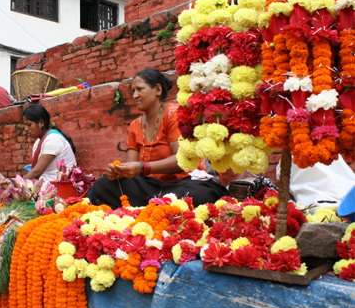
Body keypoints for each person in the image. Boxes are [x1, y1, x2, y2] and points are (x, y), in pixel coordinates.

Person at [91, 68, 228, 208]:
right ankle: (158, 205)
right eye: (133, 91)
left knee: (199, 195)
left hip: (185, 182)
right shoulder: (135, 125)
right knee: (102, 186)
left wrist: (142, 168)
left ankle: (156, 205)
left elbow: (181, 160)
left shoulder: (173, 113)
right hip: (152, 187)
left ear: (158, 90)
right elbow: (131, 168)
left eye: (139, 89)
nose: (135, 95)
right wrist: (119, 171)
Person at [22, 104, 77, 183]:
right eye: (25, 125)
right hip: (45, 186)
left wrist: (15, 185)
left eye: (29, 125)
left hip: (58, 187)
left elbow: (36, 172)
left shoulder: (53, 139)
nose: (26, 129)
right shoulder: (38, 142)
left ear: (41, 123)